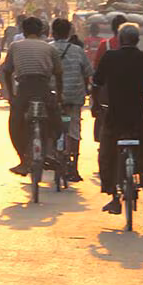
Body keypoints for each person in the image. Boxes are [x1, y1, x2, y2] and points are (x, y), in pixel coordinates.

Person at [92, 23, 143, 214]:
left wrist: (96, 105)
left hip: (114, 115)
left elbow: (96, 84)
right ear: (137, 40)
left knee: (107, 152)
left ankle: (113, 195)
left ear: (120, 39)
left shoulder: (110, 57)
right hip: (138, 115)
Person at [2, 17, 63, 176]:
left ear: (23, 31)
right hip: (43, 87)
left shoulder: (15, 46)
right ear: (41, 31)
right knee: (55, 118)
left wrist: (11, 94)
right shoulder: (49, 48)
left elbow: (6, 71)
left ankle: (23, 159)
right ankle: (51, 151)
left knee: (15, 122)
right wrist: (59, 96)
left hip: (24, 88)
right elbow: (58, 73)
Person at [50, 19, 93, 182]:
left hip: (54, 98)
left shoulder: (49, 49)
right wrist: (88, 88)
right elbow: (88, 72)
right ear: (69, 33)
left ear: (52, 33)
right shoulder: (77, 51)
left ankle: (51, 155)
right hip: (74, 98)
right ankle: (73, 166)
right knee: (74, 130)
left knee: (52, 126)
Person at [91, 15, 127, 143]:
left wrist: (95, 100)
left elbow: (96, 69)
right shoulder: (132, 48)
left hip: (107, 91)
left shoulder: (104, 45)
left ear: (112, 29)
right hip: (126, 91)